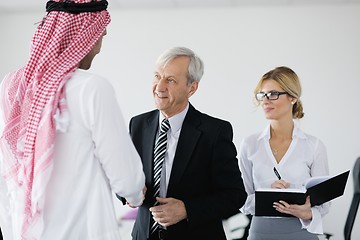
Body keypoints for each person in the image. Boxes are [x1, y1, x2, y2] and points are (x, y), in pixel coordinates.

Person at [0, 1, 145, 239]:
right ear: (84, 36)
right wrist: (136, 195)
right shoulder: (91, 88)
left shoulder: (12, 86)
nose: (98, 48)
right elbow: (127, 179)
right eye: (100, 37)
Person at [128, 46, 247, 240]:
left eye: (171, 80)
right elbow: (123, 177)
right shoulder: (138, 124)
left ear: (192, 88)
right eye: (157, 76)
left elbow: (234, 195)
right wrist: (128, 193)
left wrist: (187, 209)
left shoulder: (215, 131)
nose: (159, 87)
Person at [239, 66, 330, 240]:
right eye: (262, 95)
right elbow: (241, 200)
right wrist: (267, 196)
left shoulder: (314, 146)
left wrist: (307, 212)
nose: (265, 101)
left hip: (302, 233)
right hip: (260, 233)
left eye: (273, 94)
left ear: (293, 97)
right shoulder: (250, 144)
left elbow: (324, 204)